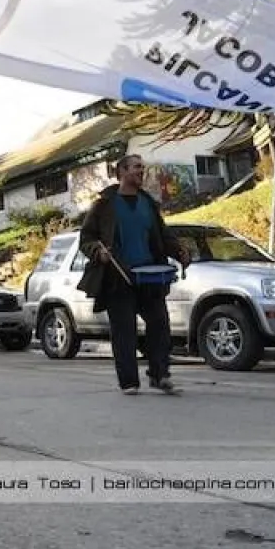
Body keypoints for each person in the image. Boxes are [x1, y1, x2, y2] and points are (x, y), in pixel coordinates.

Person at [78, 154, 191, 395]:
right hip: (118, 277)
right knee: (124, 332)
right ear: (122, 172)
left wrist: (179, 251)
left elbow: (163, 235)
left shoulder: (148, 203)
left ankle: (160, 375)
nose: (142, 171)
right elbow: (86, 239)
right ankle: (129, 381)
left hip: (150, 275)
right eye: (137, 168)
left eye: (142, 168)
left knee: (160, 325)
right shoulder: (104, 205)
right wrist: (99, 252)